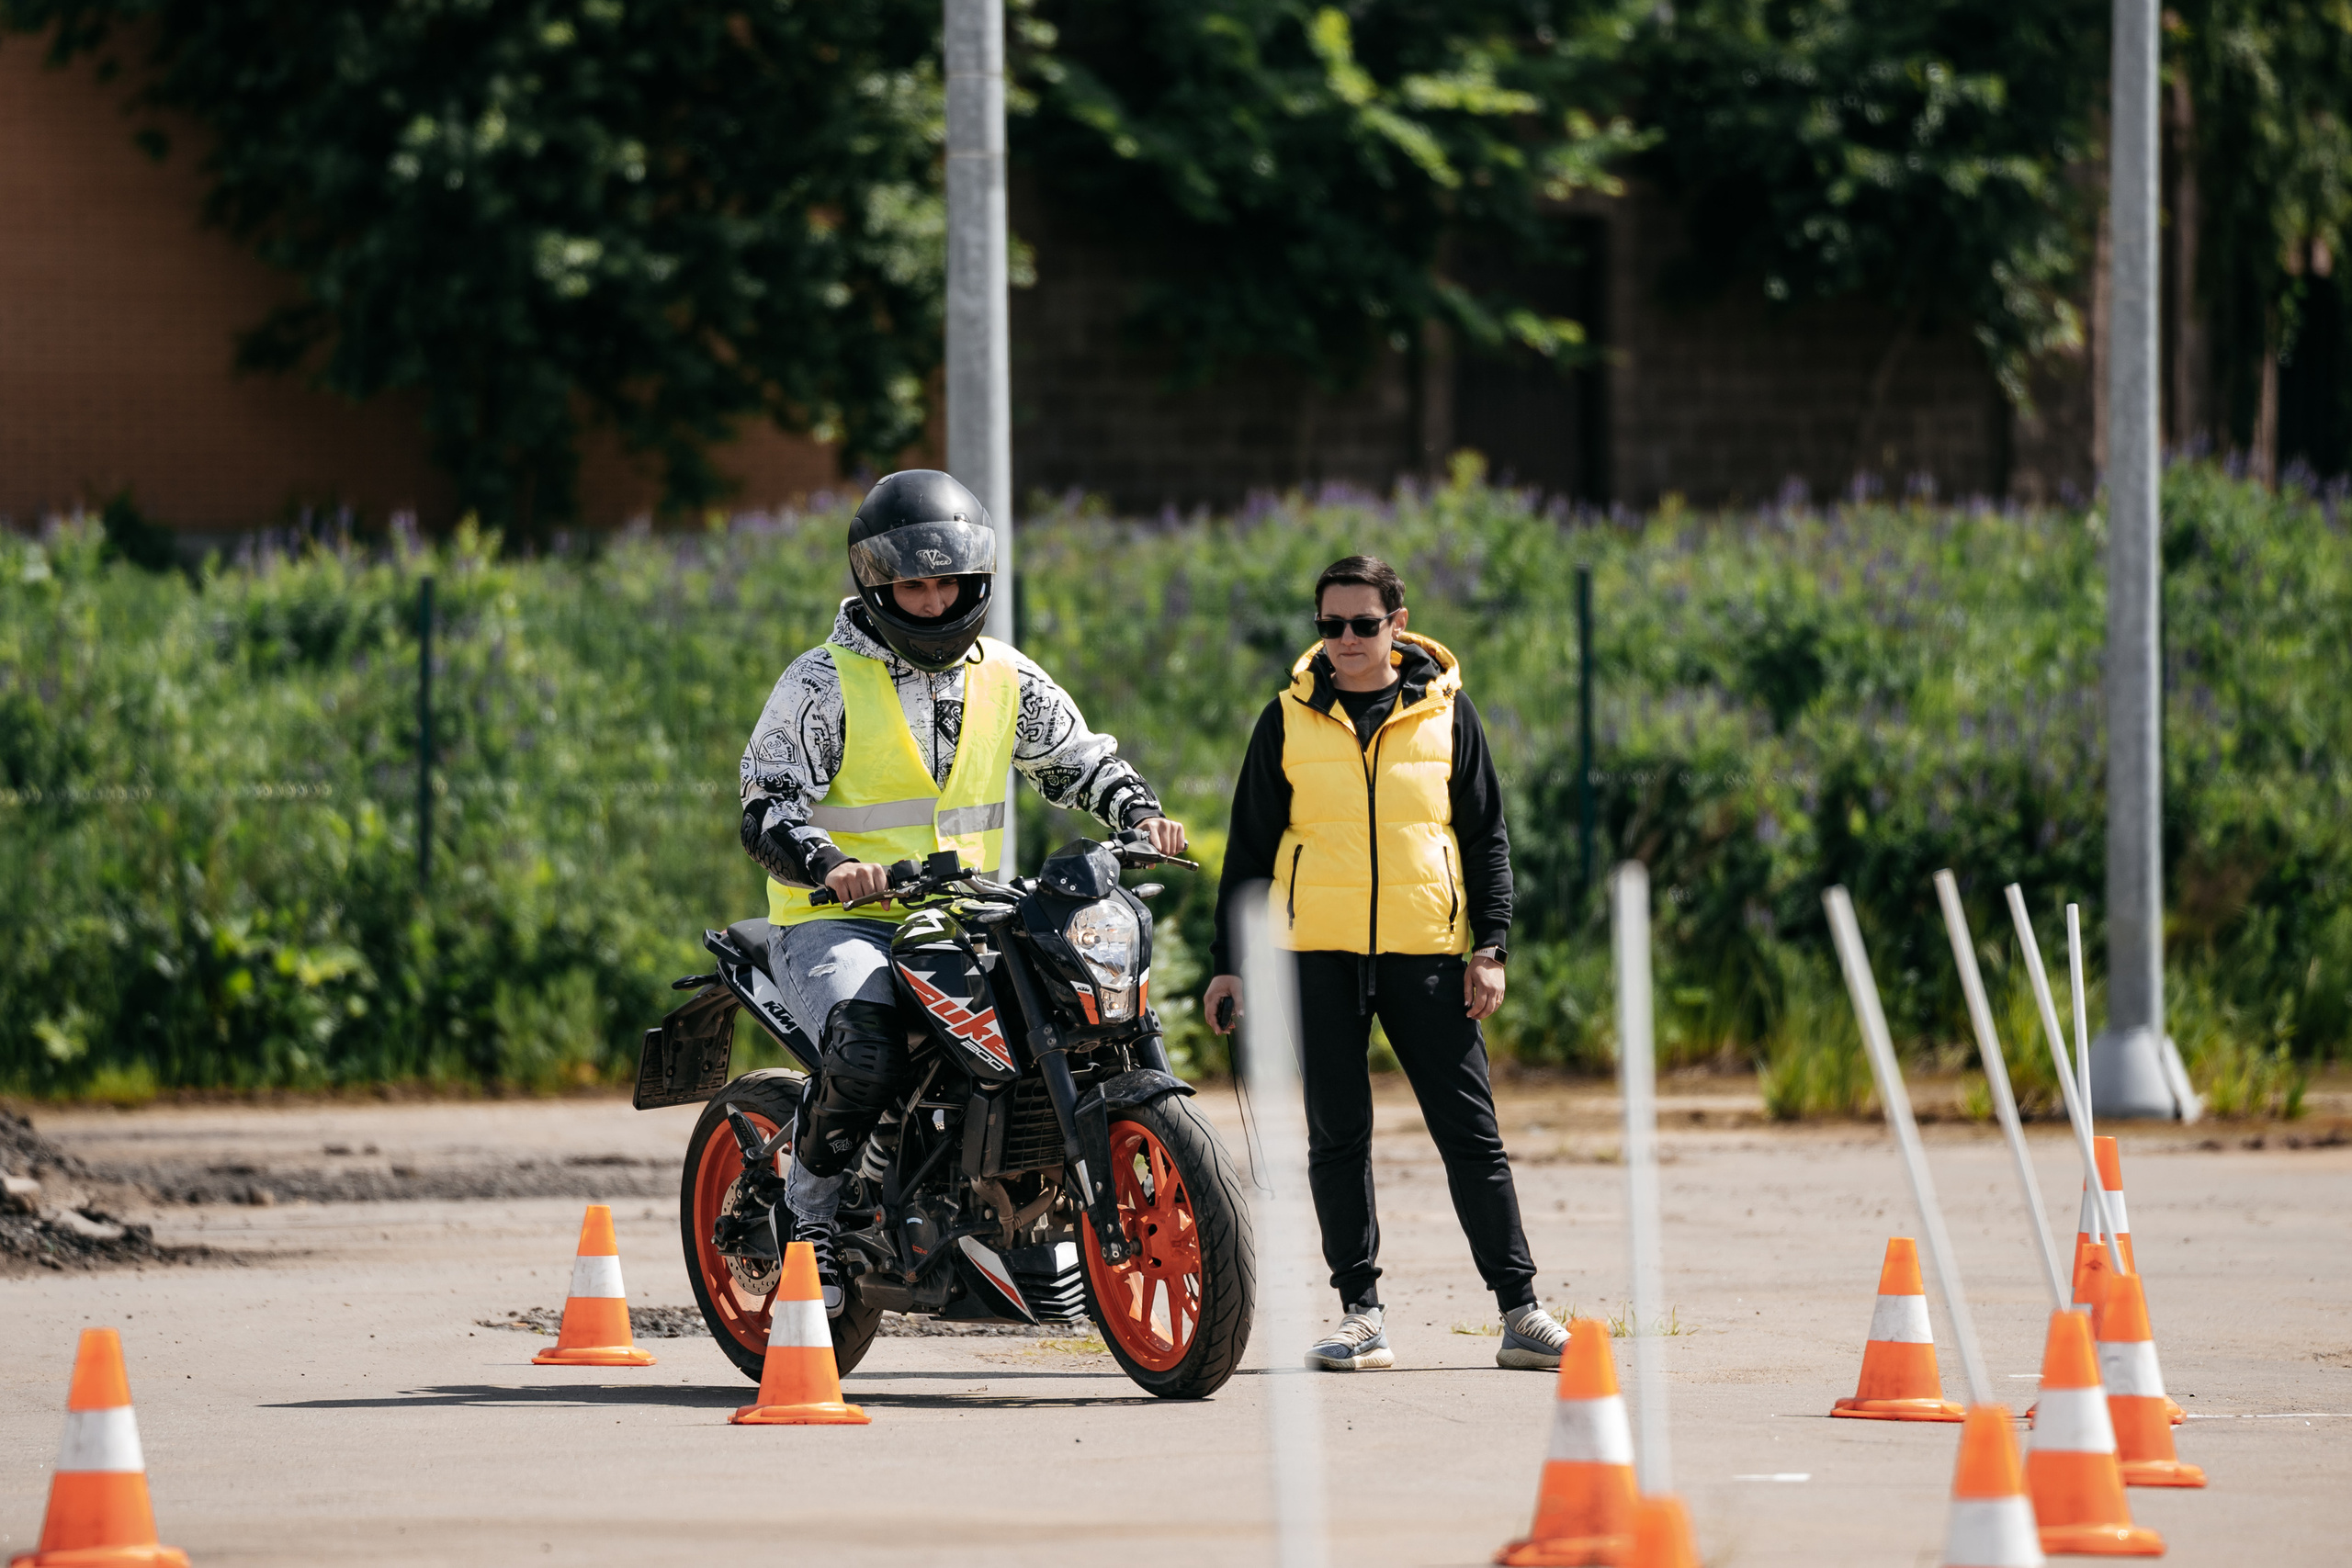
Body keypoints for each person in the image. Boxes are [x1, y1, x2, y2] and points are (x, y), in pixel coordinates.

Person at [737, 468, 1186, 1313]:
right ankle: (810, 1230)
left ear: (973, 581)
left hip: (967, 910)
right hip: (841, 922)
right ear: (878, 583)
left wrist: (1138, 811)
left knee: (1073, 1008)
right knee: (867, 1044)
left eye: (947, 581)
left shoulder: (1007, 676)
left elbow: (1078, 758)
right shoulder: (820, 682)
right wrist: (830, 863)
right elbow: (766, 802)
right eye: (915, 582)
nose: (934, 599)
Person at [1203, 555, 1565, 1371]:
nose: (1346, 641)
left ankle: (1521, 1310)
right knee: (1338, 1135)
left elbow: (1486, 839)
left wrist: (1492, 946)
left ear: (1398, 625)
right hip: (1316, 955)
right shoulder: (1287, 720)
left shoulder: (1447, 714)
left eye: (1364, 624)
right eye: (1331, 626)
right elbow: (1250, 851)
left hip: (1428, 954)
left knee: (1472, 1134)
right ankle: (1360, 1314)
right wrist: (1229, 964)